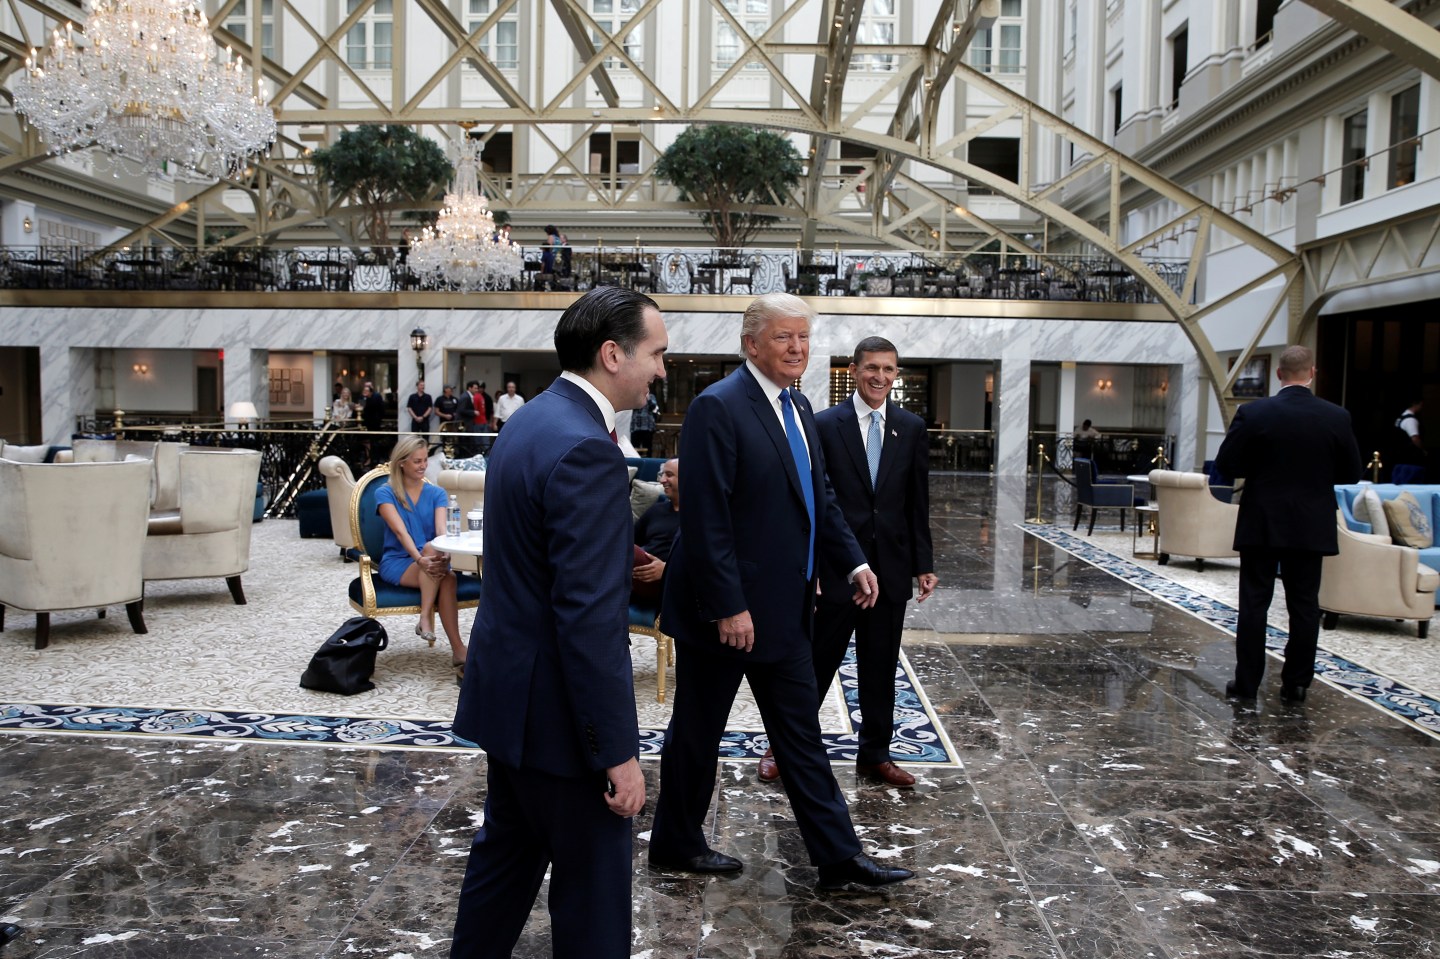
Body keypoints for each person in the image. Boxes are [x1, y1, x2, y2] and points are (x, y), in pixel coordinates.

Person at [649, 292, 915, 891]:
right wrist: (729, 606)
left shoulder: (796, 404)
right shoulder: (717, 407)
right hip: (725, 613)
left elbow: (819, 497)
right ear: (751, 344)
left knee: (801, 735)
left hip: (787, 608)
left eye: (803, 338)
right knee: (698, 733)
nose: (798, 348)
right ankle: (675, 842)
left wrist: (853, 563)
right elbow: (708, 517)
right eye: (783, 338)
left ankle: (839, 858)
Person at [449, 286, 668, 959]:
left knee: (503, 870)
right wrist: (616, 753)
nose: (662, 368)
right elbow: (588, 619)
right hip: (564, 728)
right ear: (612, 353)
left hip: (511, 703)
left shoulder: (530, 421)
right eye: (656, 353)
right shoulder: (588, 449)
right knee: (594, 903)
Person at [759, 336, 937, 788]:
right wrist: (814, 564)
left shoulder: (911, 427)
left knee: (880, 667)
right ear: (853, 371)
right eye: (872, 368)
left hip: (891, 569)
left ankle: (875, 755)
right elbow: (815, 501)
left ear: (897, 375)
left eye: (889, 370)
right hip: (839, 569)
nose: (880, 377)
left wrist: (923, 562)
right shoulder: (822, 424)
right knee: (816, 664)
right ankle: (782, 745)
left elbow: (917, 502)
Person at [1214, 344, 1362, 705]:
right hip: (1311, 523)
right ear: (1312, 373)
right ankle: (1296, 684)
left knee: (1253, 604)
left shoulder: (1254, 412)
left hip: (1262, 519)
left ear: (1279, 374)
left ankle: (1246, 684)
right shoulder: (1336, 416)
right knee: (1304, 605)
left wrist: (1261, 469)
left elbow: (1228, 464)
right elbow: (1352, 473)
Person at [374, 435, 467, 682]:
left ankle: (458, 650)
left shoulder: (437, 493)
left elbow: (441, 533)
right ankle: (426, 617)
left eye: (425, 460)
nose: (423, 465)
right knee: (433, 557)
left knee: (448, 578)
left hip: (430, 558)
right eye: (417, 461)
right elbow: (399, 532)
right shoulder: (385, 493)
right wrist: (420, 558)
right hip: (399, 561)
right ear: (402, 462)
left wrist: (445, 552)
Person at [632, 458, 679, 604]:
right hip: (639, 575)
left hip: (670, 582)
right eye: (662, 474)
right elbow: (630, 540)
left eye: (669, 475)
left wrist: (667, 569)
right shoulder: (656, 509)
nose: (662, 480)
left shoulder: (700, 516)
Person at [630, 386, 659, 454]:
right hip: (636, 427)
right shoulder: (635, 397)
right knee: (635, 448)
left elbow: (654, 408)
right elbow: (632, 407)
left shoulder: (651, 397)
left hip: (647, 427)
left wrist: (648, 399)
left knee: (648, 447)